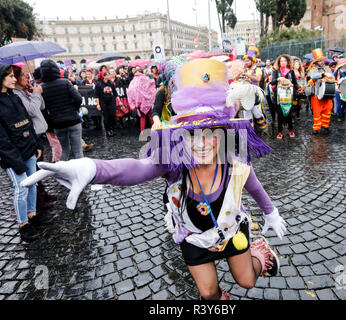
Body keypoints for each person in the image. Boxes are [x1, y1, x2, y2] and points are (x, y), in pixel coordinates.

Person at [22, 58, 287, 300]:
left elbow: (254, 186)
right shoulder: (174, 163)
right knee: (208, 294)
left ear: (223, 135)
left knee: (248, 281)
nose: (202, 142)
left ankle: (259, 254)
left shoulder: (235, 164)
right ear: (181, 136)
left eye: (211, 132)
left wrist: (271, 212)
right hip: (193, 237)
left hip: (230, 231)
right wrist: (91, 168)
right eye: (192, 133)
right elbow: (136, 168)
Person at [0, 62, 52, 242]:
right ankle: (23, 224)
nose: (14, 79)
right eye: (10, 76)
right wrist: (15, 160)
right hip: (12, 156)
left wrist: (37, 145)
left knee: (32, 183)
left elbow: (27, 123)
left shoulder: (14, 97)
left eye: (13, 75)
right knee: (21, 188)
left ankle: (33, 214)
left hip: (28, 150)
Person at [12, 65, 57, 210]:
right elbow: (31, 111)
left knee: (38, 166)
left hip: (38, 132)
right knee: (35, 168)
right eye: (23, 75)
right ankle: (38, 200)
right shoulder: (16, 94)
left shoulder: (24, 92)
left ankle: (42, 193)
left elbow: (41, 106)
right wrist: (36, 95)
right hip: (32, 134)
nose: (26, 77)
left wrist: (35, 93)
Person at [40, 59, 84, 161]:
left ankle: (62, 173)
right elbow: (78, 99)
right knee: (78, 151)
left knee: (65, 150)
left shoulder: (42, 87)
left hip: (57, 123)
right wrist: (74, 109)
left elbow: (43, 110)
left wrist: (49, 127)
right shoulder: (65, 82)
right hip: (73, 120)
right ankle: (82, 174)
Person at [307, 48, 335, 134]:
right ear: (315, 62)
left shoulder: (326, 68)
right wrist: (323, 75)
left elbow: (331, 76)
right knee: (317, 112)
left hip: (326, 93)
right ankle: (316, 128)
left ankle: (325, 125)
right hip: (316, 94)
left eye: (322, 60)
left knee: (328, 109)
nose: (322, 62)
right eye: (320, 61)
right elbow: (313, 76)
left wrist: (328, 77)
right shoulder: (313, 69)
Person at [271, 54, 298, 139]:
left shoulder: (291, 71)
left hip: (289, 96)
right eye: (281, 61)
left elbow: (295, 83)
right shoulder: (276, 72)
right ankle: (280, 132)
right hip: (279, 97)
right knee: (280, 114)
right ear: (279, 63)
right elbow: (272, 82)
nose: (283, 62)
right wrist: (278, 79)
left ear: (287, 62)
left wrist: (299, 90)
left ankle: (290, 130)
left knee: (289, 115)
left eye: (284, 61)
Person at [242, 46, 267, 132]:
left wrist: (247, 75)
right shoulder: (245, 70)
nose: (246, 62)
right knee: (247, 114)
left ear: (253, 61)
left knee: (257, 114)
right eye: (245, 61)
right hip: (246, 95)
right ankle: (250, 132)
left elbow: (258, 79)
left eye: (248, 61)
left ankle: (264, 130)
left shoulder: (258, 69)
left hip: (256, 95)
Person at [127, 67, 155, 132]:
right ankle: (155, 130)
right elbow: (151, 85)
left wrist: (134, 101)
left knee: (142, 117)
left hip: (139, 102)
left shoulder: (133, 81)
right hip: (147, 101)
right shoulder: (145, 78)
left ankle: (142, 132)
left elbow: (130, 91)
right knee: (150, 115)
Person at [95, 70, 121, 137]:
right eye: (107, 75)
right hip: (103, 102)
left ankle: (112, 129)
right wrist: (98, 104)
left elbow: (115, 93)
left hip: (111, 101)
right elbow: (97, 95)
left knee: (112, 115)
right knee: (106, 117)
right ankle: (107, 130)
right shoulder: (99, 84)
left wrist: (119, 101)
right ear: (103, 76)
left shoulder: (111, 83)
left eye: (109, 74)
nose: (109, 76)